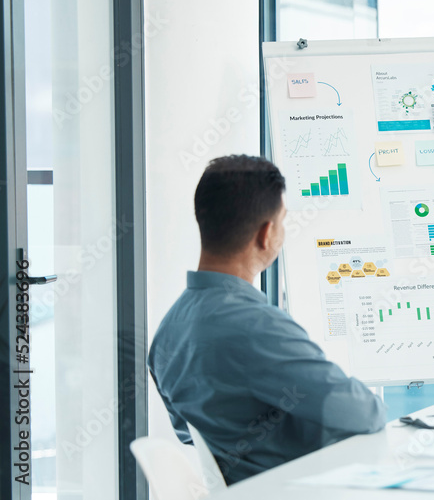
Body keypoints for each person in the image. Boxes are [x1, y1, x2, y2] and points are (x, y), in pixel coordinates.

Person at [148, 155, 385, 484]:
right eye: (283, 221)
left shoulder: (167, 332)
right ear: (266, 232)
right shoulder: (256, 326)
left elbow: (188, 434)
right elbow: (364, 413)